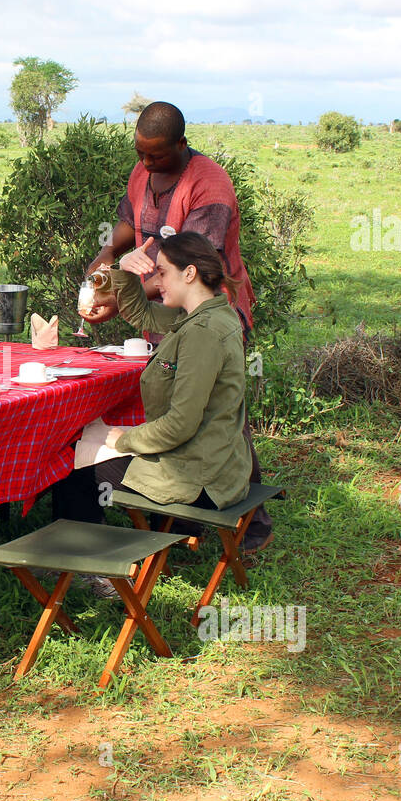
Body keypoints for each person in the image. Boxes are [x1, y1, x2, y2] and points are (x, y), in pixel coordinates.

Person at [81, 102, 273, 553]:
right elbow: (125, 230)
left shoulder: (209, 187)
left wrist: (120, 440)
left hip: (209, 308)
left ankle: (243, 515)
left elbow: (187, 267)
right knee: (183, 396)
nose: (146, 164)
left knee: (217, 406)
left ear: (182, 145)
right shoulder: (142, 174)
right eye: (140, 154)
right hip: (174, 307)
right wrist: (102, 267)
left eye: (157, 156)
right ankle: (191, 514)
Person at [55, 232, 252, 594]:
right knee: (84, 444)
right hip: (215, 459)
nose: (156, 282)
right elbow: (138, 311)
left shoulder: (204, 332)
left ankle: (91, 568)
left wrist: (125, 439)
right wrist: (123, 271)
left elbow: (180, 424)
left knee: (74, 462)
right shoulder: (207, 315)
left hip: (200, 475)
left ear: (189, 273)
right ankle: (77, 557)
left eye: (162, 273)